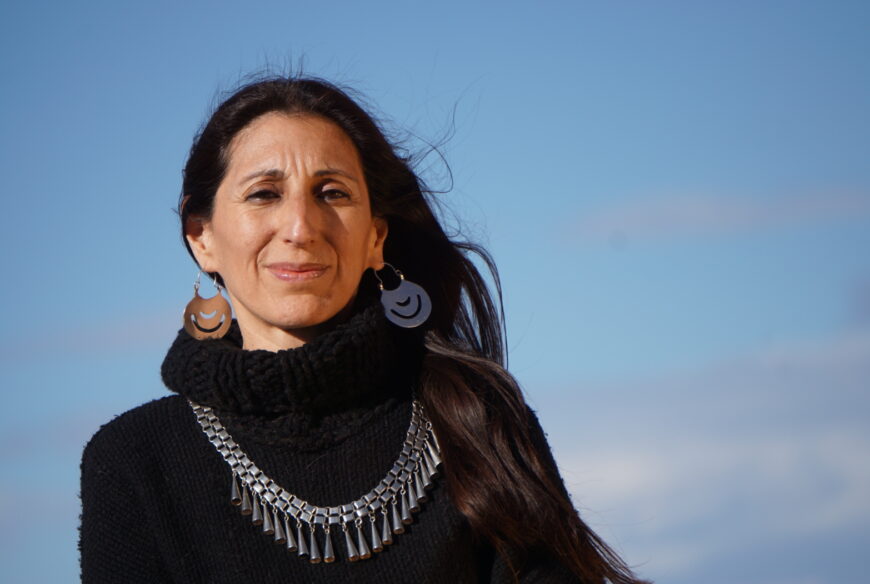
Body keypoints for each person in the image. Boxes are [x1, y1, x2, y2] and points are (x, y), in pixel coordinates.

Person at [79, 76, 648, 584]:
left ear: (376, 237)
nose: (301, 226)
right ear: (201, 236)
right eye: (264, 194)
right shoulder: (133, 461)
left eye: (333, 193)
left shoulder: (476, 418)